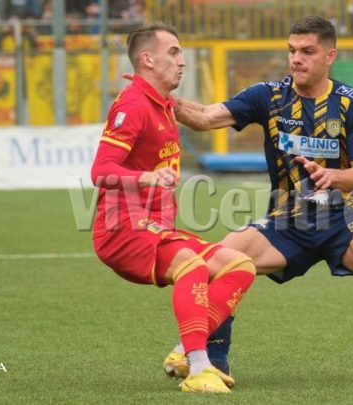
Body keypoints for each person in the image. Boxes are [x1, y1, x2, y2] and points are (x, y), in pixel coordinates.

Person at [162, 15, 353, 384]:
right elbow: (206, 117)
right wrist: (159, 96)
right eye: (292, 51)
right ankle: (218, 361)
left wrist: (333, 176)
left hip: (342, 216)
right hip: (287, 220)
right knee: (225, 257)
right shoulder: (268, 96)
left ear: (329, 55)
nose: (296, 59)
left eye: (307, 51)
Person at [90, 22, 256, 394]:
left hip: (151, 226)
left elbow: (197, 113)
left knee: (239, 266)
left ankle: (185, 350)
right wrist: (147, 178)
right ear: (148, 59)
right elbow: (101, 171)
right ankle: (199, 369)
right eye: (174, 52)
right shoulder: (132, 104)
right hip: (122, 228)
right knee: (193, 265)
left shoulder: (160, 101)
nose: (183, 61)